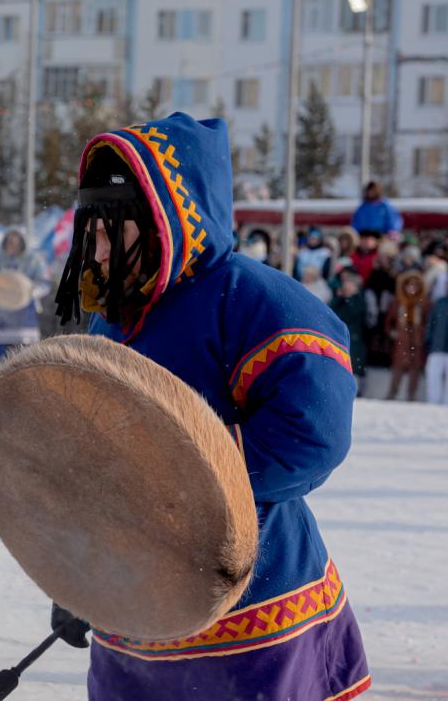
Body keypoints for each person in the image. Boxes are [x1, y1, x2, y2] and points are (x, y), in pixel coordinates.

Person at [53, 113, 369, 700]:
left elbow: (312, 434)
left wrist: (182, 486)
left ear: (166, 222)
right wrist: (77, 581)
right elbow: (94, 459)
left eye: (112, 229)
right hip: (134, 608)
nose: (95, 248)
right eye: (90, 229)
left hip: (254, 606)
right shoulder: (113, 319)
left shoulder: (256, 301)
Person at [0, 230, 49, 379]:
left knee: (27, 355)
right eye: (9, 241)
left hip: (25, 316)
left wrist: (27, 291)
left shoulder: (34, 260)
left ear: (22, 242)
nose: (12, 244)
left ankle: (30, 389)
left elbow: (45, 284)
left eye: (16, 241)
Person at [384, 270, 427, 402]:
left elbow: (428, 322)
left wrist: (422, 333)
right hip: (402, 340)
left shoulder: (423, 303)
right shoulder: (398, 302)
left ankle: (411, 395)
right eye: (409, 285)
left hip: (416, 339)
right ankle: (392, 392)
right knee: (398, 367)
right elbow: (388, 322)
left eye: (415, 285)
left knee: (415, 368)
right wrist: (392, 333)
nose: (412, 288)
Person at [331, 267, 369, 396]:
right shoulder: (339, 300)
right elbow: (332, 312)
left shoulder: (358, 299)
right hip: (340, 335)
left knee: (355, 363)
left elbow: (354, 312)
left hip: (355, 336)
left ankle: (357, 389)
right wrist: (340, 297)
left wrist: (349, 298)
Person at [425, 289, 448, 405]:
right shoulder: (439, 303)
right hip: (437, 347)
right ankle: (433, 403)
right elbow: (431, 323)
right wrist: (428, 340)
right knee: (433, 377)